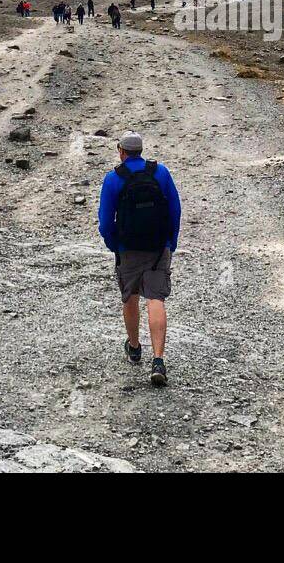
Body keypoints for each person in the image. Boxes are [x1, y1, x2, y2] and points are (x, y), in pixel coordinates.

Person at [97, 131, 181, 387]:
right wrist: (170, 241)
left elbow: (104, 222)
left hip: (128, 248)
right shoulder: (161, 172)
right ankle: (158, 359)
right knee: (156, 298)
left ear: (121, 151)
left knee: (130, 296)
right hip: (157, 247)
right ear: (141, 151)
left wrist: (116, 247)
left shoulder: (113, 178)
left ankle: (134, 347)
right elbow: (175, 209)